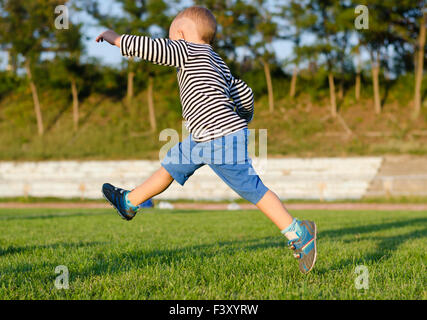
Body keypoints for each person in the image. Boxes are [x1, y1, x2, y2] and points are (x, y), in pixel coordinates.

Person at [96, 6, 317, 274]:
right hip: (204, 138)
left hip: (217, 138)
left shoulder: (185, 50)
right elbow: (245, 94)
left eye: (171, 37)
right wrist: (242, 121)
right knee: (171, 165)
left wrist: (114, 37)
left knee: (252, 188)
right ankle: (129, 202)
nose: (169, 43)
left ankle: (299, 233)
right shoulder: (219, 62)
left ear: (180, 33)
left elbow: (148, 47)